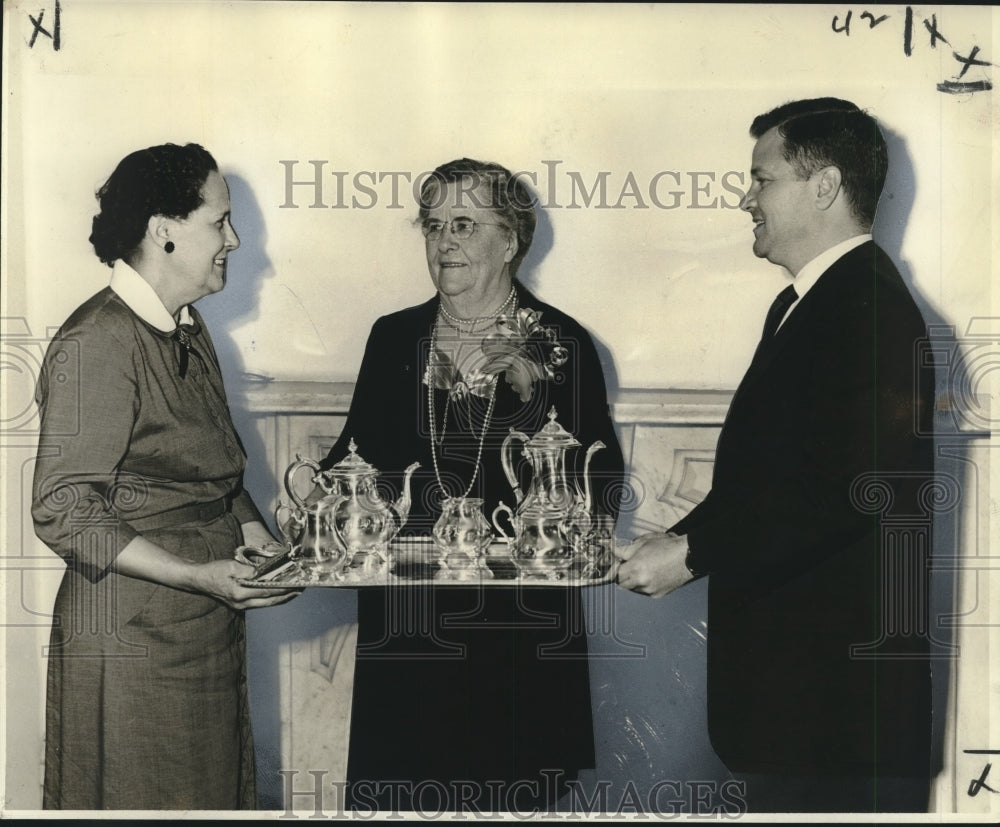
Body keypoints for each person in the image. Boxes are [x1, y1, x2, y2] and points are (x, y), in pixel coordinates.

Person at [616, 99, 934, 813]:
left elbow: (845, 489)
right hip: (805, 710)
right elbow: (774, 475)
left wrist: (693, 555)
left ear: (823, 186)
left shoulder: (870, 309)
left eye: (761, 180)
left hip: (839, 719)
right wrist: (678, 536)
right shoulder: (811, 302)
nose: (744, 198)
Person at [318, 158, 625, 813]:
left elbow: (602, 479)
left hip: (518, 641)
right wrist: (326, 509)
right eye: (432, 226)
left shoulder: (562, 344)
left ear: (509, 240)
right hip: (406, 633)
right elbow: (352, 458)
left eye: (463, 224)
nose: (443, 242)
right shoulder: (393, 337)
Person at [31, 143, 298, 810]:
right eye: (220, 222)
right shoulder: (98, 340)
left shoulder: (188, 326)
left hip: (197, 623)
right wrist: (193, 574)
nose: (234, 241)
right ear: (164, 231)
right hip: (131, 633)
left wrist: (253, 534)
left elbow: (208, 468)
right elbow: (63, 507)